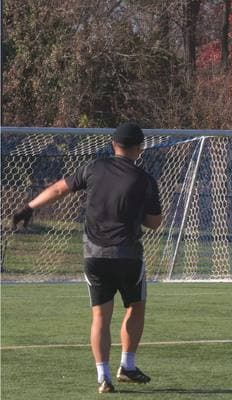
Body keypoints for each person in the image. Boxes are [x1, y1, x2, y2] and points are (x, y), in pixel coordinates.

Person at [12, 122, 162, 394]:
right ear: (140, 148)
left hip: (94, 255)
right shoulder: (145, 179)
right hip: (128, 257)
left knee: (100, 317)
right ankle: (127, 365)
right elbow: (154, 223)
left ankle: (103, 377)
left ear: (113, 144)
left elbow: (58, 189)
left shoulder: (94, 168)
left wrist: (28, 207)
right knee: (135, 306)